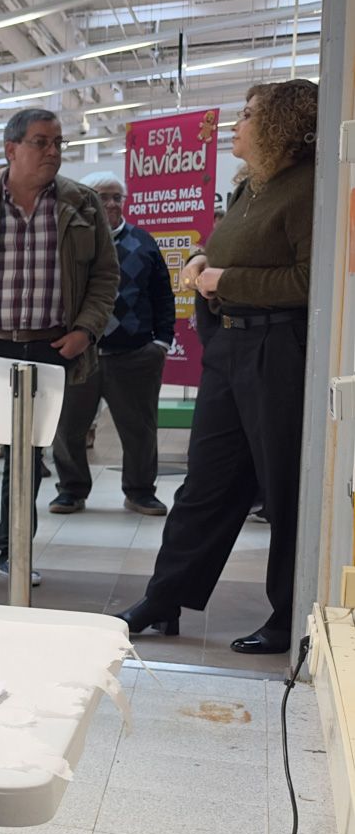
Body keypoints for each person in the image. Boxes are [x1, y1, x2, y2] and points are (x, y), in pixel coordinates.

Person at [121, 80, 318, 655]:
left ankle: (289, 614)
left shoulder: (308, 188)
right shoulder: (251, 187)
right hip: (232, 348)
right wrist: (203, 258)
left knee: (283, 488)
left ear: (280, 125)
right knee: (205, 481)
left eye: (249, 114)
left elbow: (309, 280)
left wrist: (224, 280)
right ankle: (164, 597)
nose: (236, 124)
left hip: (277, 350)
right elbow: (228, 252)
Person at [0, 108, 120, 587]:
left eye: (57, 142)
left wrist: (86, 330)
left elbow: (105, 277)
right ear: (11, 149)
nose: (52, 151)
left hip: (50, 349)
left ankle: (16, 552)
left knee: (28, 458)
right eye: (40, 142)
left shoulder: (82, 204)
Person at [50, 172, 175, 517]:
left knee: (139, 430)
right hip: (78, 355)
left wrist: (161, 342)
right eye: (103, 196)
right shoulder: (70, 242)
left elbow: (163, 295)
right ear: (86, 200)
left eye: (117, 196)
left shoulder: (143, 242)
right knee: (68, 428)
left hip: (134, 354)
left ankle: (140, 491)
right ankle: (71, 490)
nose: (111, 203)